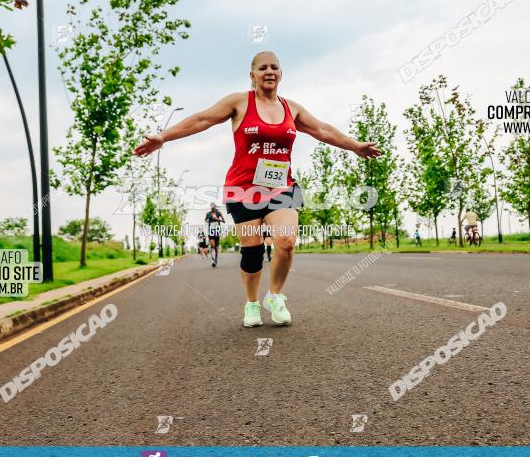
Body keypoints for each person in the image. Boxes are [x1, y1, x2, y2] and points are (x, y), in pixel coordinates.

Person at [134, 51, 380, 327]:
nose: (269, 71)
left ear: (281, 73)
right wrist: (163, 137)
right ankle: (251, 303)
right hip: (243, 189)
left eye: (274, 67)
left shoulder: (292, 109)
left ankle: (275, 296)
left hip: (281, 186)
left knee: (285, 242)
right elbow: (202, 119)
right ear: (252, 75)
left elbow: (322, 130)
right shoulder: (239, 102)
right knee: (251, 252)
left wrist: (355, 145)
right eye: (262, 68)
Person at [205, 203, 225, 267]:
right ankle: (213, 260)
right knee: (212, 246)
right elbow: (205, 220)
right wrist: (207, 220)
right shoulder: (208, 213)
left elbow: (224, 221)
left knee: (216, 247)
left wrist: (217, 219)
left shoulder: (218, 212)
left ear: (215, 207)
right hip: (210, 230)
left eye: (213, 207)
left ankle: (215, 260)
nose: (212, 208)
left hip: (217, 231)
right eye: (211, 207)